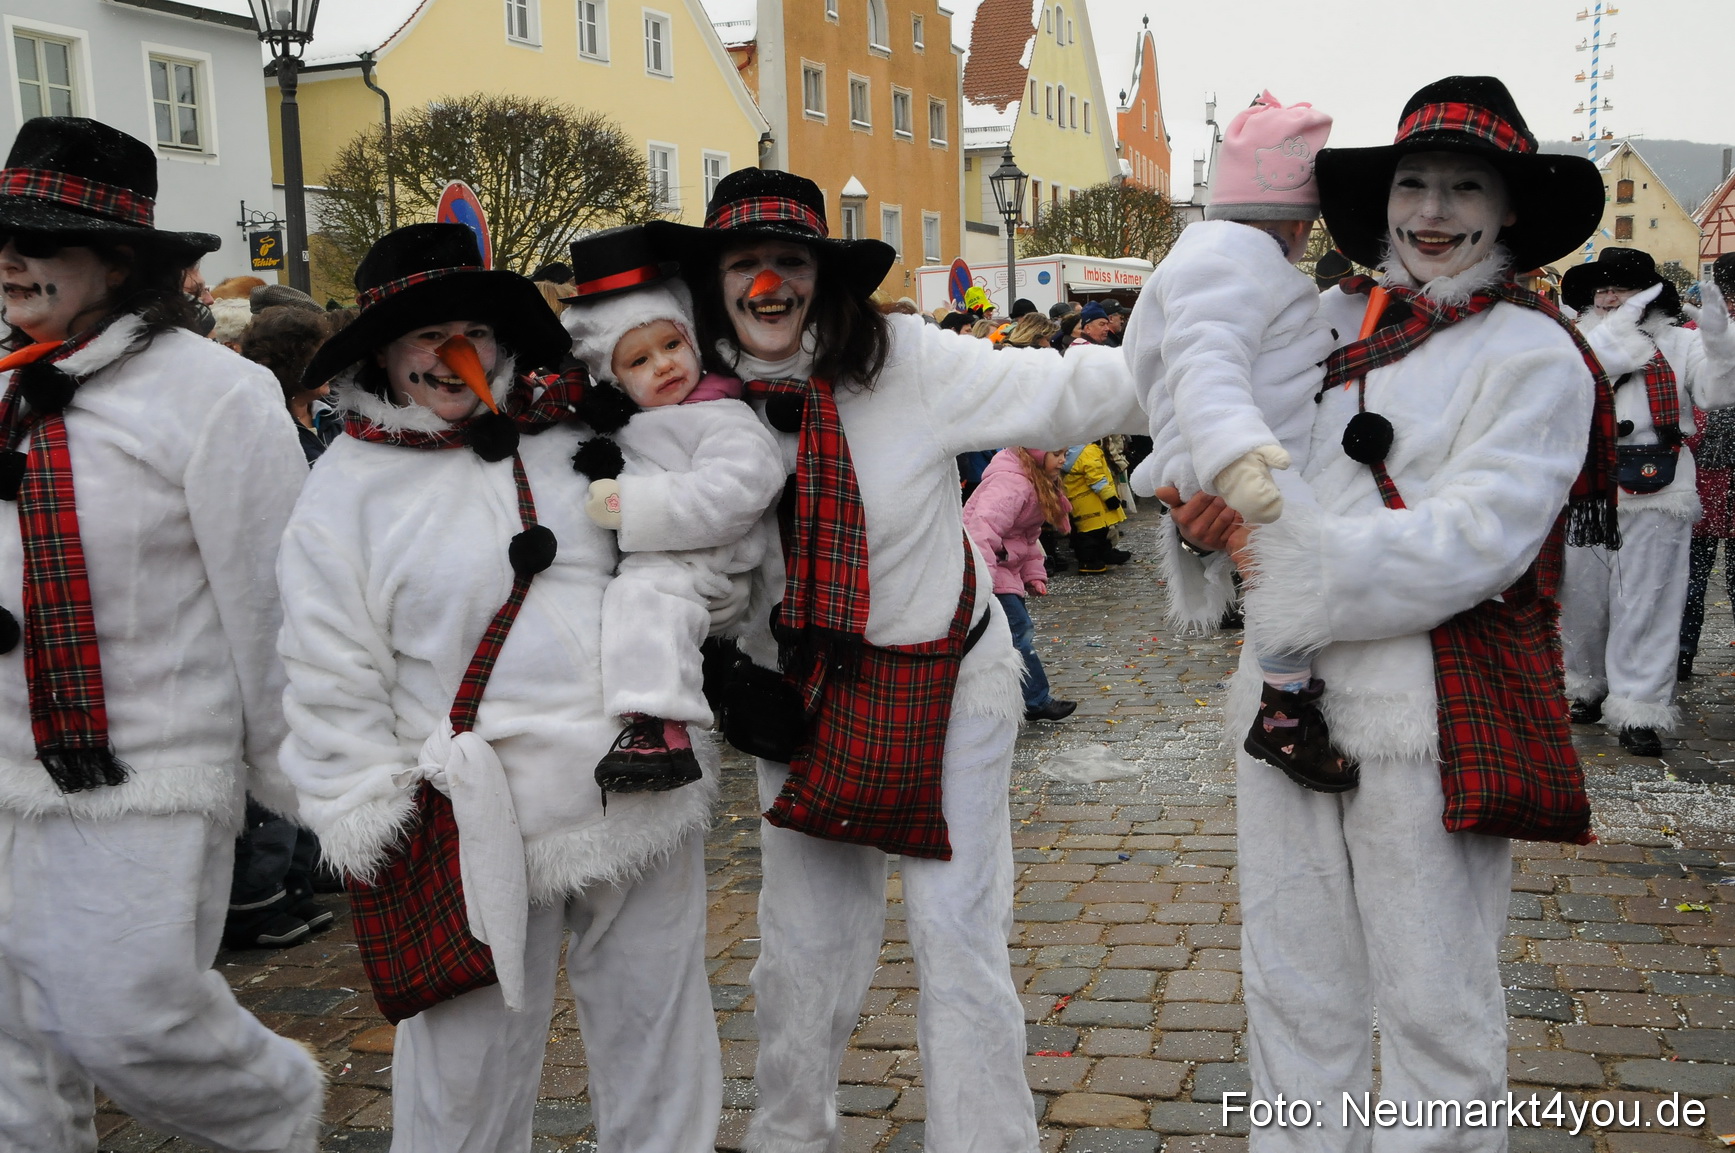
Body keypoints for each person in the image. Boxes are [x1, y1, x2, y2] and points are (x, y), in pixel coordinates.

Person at [1162, 77, 1618, 1150]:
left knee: (1432, 1003)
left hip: (1426, 717)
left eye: (1466, 188)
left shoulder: (1536, 355)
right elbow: (1215, 426)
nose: (1433, 211)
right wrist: (1200, 525)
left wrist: (1287, 558)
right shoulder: (1315, 322)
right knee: (1291, 987)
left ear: (1506, 211)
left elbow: (1480, 537)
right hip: (1282, 714)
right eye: (1415, 183)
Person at [649, 167, 1143, 1153]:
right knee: (804, 945)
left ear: (820, 275)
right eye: (743, 264)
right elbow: (658, 554)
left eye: (786, 261)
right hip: (800, 697)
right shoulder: (676, 400)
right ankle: (790, 1132)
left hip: (949, 684)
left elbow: (1080, 391)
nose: (766, 286)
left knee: (957, 937)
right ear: (712, 283)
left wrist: (1221, 332)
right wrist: (713, 663)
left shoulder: (906, 360)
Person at [278, 222, 724, 1151]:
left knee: (657, 1034)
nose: (451, 355)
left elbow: (683, 549)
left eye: (472, 332)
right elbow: (328, 665)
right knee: (464, 1073)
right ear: (383, 355)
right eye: (422, 336)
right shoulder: (345, 491)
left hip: (632, 779)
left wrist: (676, 654)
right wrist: (370, 805)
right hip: (471, 818)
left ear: (501, 339)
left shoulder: (578, 436)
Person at [0, 116, 322, 1151]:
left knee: (127, 1018)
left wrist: (309, 780)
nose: (11, 258)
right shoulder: (0, 383)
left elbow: (272, 600)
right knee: (11, 1050)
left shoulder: (217, 395)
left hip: (145, 771)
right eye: (2, 236)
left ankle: (275, 1112)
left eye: (40, 238)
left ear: (123, 261)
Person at [1124, 90, 1352, 789]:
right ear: (1294, 222)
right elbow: (1205, 363)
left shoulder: (1216, 259)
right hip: (1246, 458)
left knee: (1283, 568)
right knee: (1288, 566)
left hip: (1241, 450)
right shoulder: (1228, 261)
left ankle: (1285, 703)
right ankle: (1283, 712)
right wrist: (1231, 453)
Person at [558, 224, 783, 790]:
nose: (662, 365)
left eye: (671, 345)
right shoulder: (635, 426)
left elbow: (742, 489)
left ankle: (662, 726)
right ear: (611, 381)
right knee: (632, 607)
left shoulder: (720, 415)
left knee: (645, 600)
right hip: (666, 560)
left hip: (707, 561)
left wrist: (631, 506)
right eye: (637, 361)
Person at [1558, 247, 1735, 755]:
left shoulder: (1681, 343)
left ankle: (1639, 707)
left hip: (1659, 487)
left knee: (1649, 602)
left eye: (1623, 288)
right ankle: (1583, 685)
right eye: (1603, 288)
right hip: (1587, 488)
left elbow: (1717, 392)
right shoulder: (1576, 341)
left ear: (1650, 296)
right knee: (1581, 601)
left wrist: (1722, 346)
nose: (1610, 298)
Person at [964, 447, 1077, 722]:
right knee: (1018, 632)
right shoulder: (1012, 483)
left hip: (1003, 570)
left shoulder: (1035, 481)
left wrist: (1033, 574)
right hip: (989, 570)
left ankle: (1018, 698)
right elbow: (982, 531)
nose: (1062, 459)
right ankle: (1035, 700)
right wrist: (982, 583)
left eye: (1064, 452)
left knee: (1008, 635)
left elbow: (1027, 537)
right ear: (1037, 454)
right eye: (1056, 453)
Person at [1680, 254, 1735, 678]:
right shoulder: (1692, 338)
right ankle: (1678, 658)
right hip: (1699, 476)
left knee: (1692, 578)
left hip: (1709, 475)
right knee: (1688, 580)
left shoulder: (1692, 336)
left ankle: (1678, 658)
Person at [242, 303, 340, 463]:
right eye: (317, 359)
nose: (329, 366)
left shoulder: (334, 413)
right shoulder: (262, 428)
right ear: (289, 366)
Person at [1060, 440, 1128, 572]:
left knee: (1093, 530)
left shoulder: (1071, 451)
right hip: (1093, 503)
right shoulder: (1089, 451)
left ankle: (1101, 554)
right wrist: (1109, 497)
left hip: (1081, 502)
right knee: (1092, 534)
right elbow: (1096, 477)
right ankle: (1088, 561)